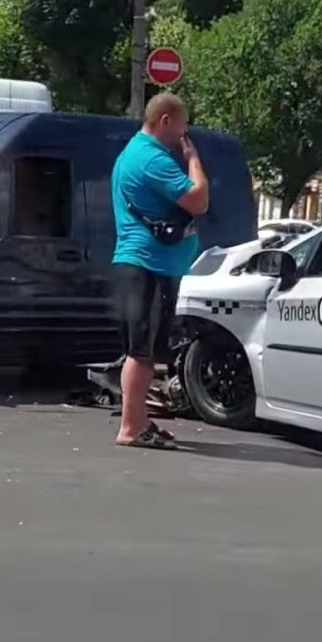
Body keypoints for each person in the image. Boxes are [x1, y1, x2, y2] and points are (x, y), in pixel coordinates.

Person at [111, 93, 209, 449]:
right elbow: (199, 199)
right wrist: (194, 159)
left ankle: (139, 422)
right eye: (183, 124)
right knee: (141, 351)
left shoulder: (133, 153)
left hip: (143, 263)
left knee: (143, 350)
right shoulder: (151, 158)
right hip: (147, 264)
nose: (186, 132)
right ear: (166, 120)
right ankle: (130, 428)